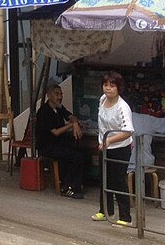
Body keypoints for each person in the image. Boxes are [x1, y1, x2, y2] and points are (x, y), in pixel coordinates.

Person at [91, 71, 135, 226]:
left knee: (118, 181)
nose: (108, 88)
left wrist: (109, 140)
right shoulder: (102, 100)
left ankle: (125, 217)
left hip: (120, 147)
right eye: (105, 85)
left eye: (112, 85)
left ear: (118, 88)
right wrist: (104, 142)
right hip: (104, 146)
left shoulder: (122, 107)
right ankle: (105, 211)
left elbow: (128, 131)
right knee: (104, 179)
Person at [35, 84, 87, 199]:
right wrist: (71, 125)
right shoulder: (44, 112)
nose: (59, 97)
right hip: (47, 146)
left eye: (61, 94)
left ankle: (79, 183)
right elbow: (55, 132)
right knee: (75, 156)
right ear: (49, 96)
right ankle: (67, 187)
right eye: (56, 94)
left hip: (59, 143)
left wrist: (74, 122)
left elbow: (71, 116)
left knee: (82, 151)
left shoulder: (59, 108)